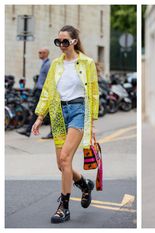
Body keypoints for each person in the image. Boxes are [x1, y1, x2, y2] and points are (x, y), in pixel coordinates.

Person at [31, 25, 99, 224]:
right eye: (58, 41)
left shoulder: (87, 63)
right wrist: (39, 117)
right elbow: (47, 91)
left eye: (65, 41)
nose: (61, 45)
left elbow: (93, 93)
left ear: (74, 41)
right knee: (61, 165)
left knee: (65, 157)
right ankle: (84, 184)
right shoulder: (55, 64)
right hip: (59, 113)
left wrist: (91, 123)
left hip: (79, 111)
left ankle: (64, 207)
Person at [17, 48, 53, 138]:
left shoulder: (48, 64)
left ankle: (52, 132)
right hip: (39, 91)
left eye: (41, 52)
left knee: (47, 112)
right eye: (39, 52)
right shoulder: (44, 63)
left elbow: (50, 78)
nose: (39, 54)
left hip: (43, 91)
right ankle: (28, 130)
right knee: (37, 111)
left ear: (46, 54)